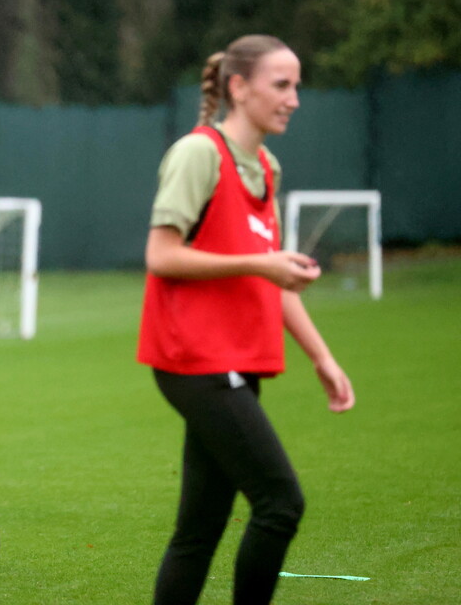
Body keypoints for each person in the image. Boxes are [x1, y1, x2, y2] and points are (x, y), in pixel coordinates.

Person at [137, 34, 356, 605]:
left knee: (199, 531)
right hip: (195, 359)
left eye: (297, 87)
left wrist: (323, 358)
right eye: (281, 85)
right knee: (281, 502)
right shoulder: (198, 153)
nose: (294, 99)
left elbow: (272, 276)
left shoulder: (266, 165)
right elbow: (161, 256)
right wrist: (261, 262)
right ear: (239, 86)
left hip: (236, 359)